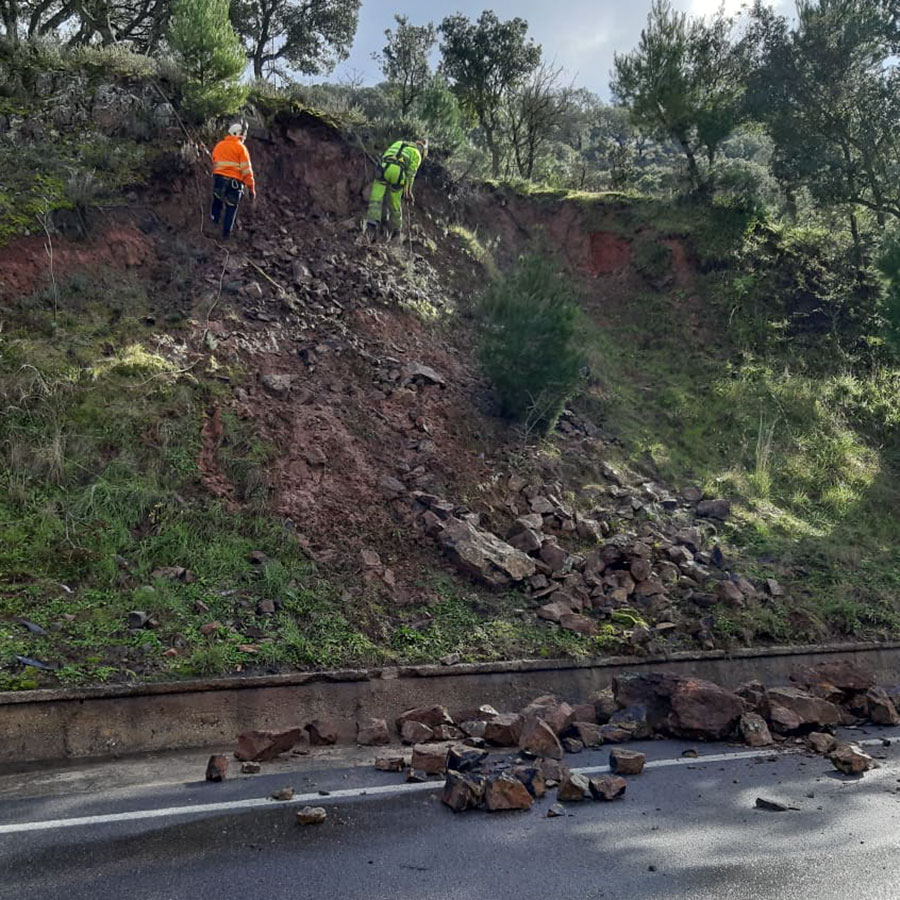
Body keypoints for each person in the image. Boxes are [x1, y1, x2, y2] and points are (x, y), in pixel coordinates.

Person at [365, 138, 428, 242]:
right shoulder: (416, 154)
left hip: (383, 169)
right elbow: (410, 175)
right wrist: (408, 193)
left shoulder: (398, 142)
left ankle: (371, 226)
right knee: (395, 203)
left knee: (376, 197)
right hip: (397, 175)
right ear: (423, 151)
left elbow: (385, 155)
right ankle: (396, 232)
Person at [210, 123, 256, 239]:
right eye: (242, 136)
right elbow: (247, 171)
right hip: (234, 184)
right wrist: (251, 188)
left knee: (217, 202)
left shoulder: (219, 146)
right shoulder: (241, 148)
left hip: (219, 180)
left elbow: (214, 161)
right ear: (238, 135)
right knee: (231, 208)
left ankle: (213, 224)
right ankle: (226, 235)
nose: (243, 138)